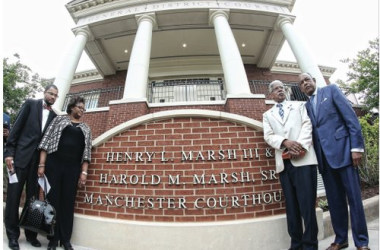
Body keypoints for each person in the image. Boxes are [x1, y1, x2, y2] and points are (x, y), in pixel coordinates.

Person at [298, 73, 370, 250]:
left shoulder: (331, 91)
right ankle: (341, 240)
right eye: (301, 83)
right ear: (300, 88)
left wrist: (356, 149)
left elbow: (351, 119)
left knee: (354, 200)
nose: (305, 83)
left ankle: (361, 242)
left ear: (314, 81)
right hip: (325, 160)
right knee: (335, 202)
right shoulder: (306, 106)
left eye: (307, 79)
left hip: (345, 153)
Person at [263, 80, 319, 250]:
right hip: (284, 165)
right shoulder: (267, 115)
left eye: (282, 88)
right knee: (292, 207)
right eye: (275, 89)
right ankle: (296, 244)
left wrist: (300, 146)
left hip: (304, 161)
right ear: (271, 95)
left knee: (307, 206)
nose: (280, 90)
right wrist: (285, 142)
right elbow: (268, 136)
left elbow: (307, 125)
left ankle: (310, 245)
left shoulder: (300, 105)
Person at [4, 85, 59, 250]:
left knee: (32, 201)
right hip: (20, 159)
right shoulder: (30, 104)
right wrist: (8, 153)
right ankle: (13, 236)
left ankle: (30, 234)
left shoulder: (55, 116)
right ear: (44, 93)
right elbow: (16, 129)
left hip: (38, 165)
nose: (53, 97)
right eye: (51, 93)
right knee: (13, 198)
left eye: (56, 95)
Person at [37, 96, 92, 250]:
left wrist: (84, 173)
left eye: (83, 108)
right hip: (54, 165)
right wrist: (42, 165)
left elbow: (87, 153)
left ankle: (66, 240)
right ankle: (53, 240)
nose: (82, 110)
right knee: (53, 202)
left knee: (68, 203)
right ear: (72, 107)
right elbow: (45, 142)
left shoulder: (86, 128)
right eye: (80, 107)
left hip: (73, 169)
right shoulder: (59, 121)